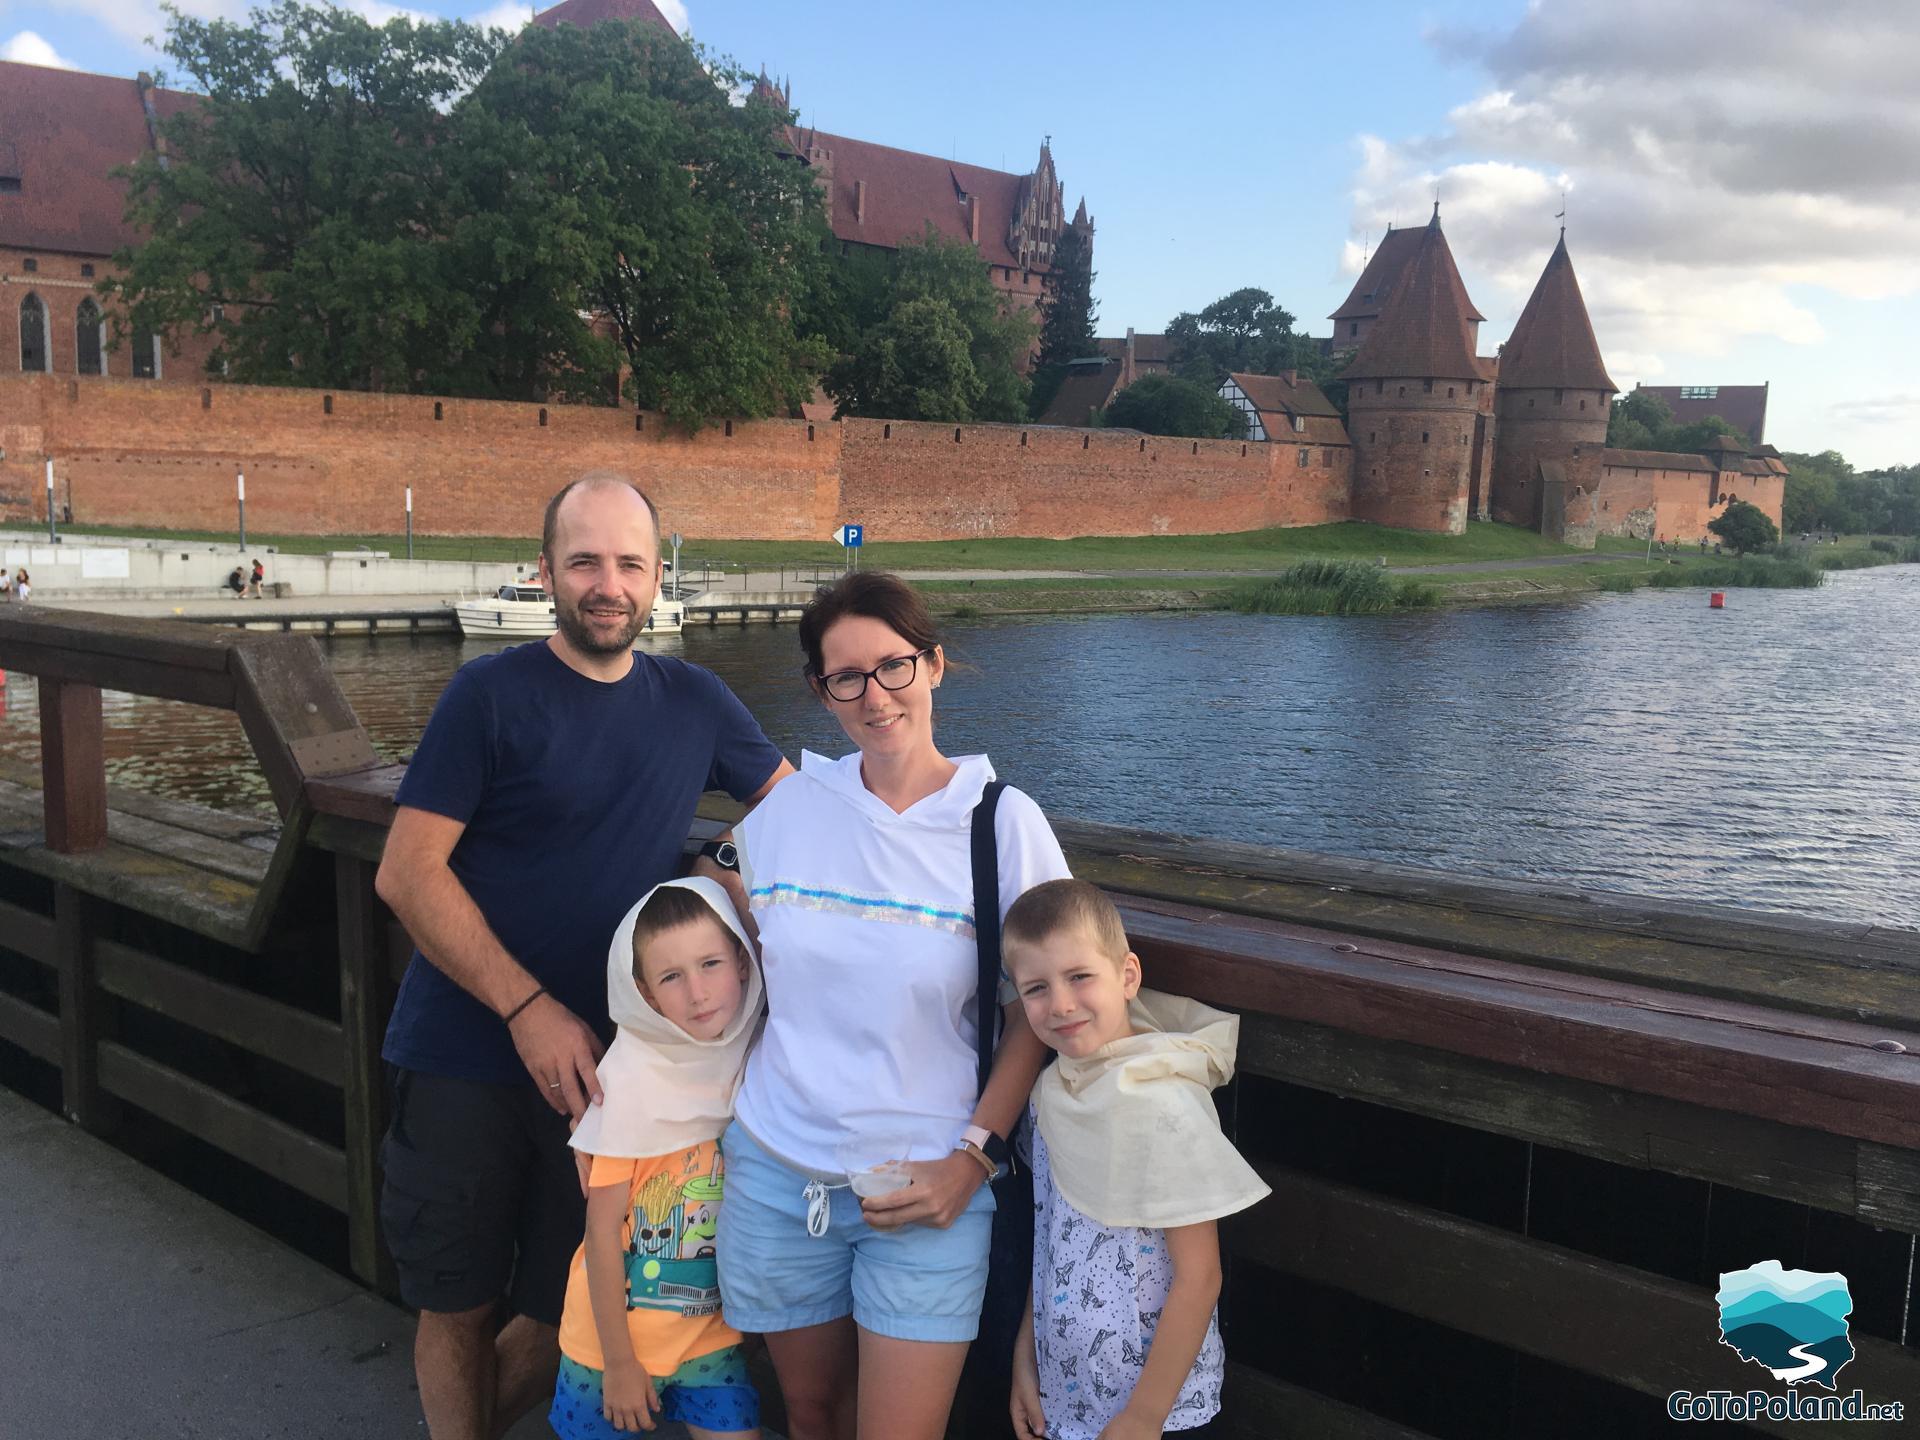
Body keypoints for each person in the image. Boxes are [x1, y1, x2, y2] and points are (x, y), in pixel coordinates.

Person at [374, 472, 793, 1440]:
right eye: (586, 562)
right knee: (460, 1299)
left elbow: (795, 811)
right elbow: (407, 872)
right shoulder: (489, 693)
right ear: (547, 573)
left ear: (656, 576)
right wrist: (526, 1009)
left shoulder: (696, 698)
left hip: (617, 1077)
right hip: (464, 1052)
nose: (609, 584)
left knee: (569, 1305)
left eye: (630, 564)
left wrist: (719, 862)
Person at [717, 572, 1071, 1440]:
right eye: (847, 677)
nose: (875, 697)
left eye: (894, 667)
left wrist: (974, 1158)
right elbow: (724, 897)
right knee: (809, 1411)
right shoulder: (794, 807)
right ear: (821, 691)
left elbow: (1043, 1007)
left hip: (926, 1182)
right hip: (774, 1171)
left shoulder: (1000, 823)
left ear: (934, 666)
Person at [1002, 880, 1269, 1440]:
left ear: (1127, 976)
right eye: (1036, 988)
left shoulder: (1163, 1104)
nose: (1061, 1004)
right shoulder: (1049, 1094)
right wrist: (1025, 1357)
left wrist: (1143, 1418)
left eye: (1080, 977)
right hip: (1064, 1396)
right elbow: (1049, 1234)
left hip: (1162, 1414)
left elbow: (1200, 1277)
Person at [550, 878, 764, 1440]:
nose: (698, 993)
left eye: (711, 963)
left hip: (710, 1341)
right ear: (644, 993)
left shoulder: (763, 1062)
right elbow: (600, 1234)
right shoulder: (624, 1087)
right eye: (671, 976)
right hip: (607, 1348)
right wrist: (620, 1365)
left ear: (743, 962)